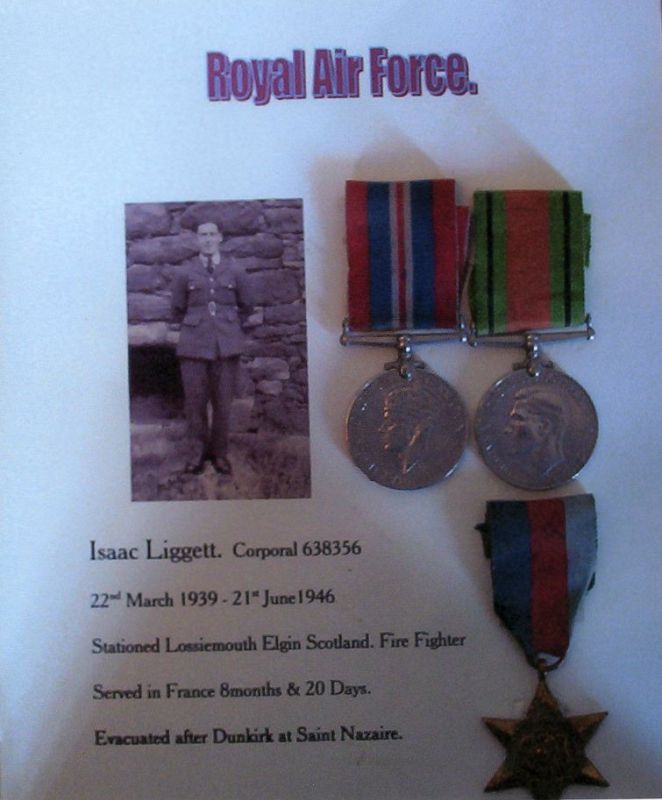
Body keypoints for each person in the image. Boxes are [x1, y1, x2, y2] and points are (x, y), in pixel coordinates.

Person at [170, 221, 252, 475]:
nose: (207, 239)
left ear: (220, 238)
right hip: (193, 346)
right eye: (202, 235)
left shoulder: (236, 270)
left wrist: (229, 326)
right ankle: (196, 454)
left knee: (223, 403)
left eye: (212, 234)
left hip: (225, 346)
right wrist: (197, 325)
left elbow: (247, 305)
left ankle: (219, 453)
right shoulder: (184, 272)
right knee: (195, 403)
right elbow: (177, 308)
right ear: (197, 239)